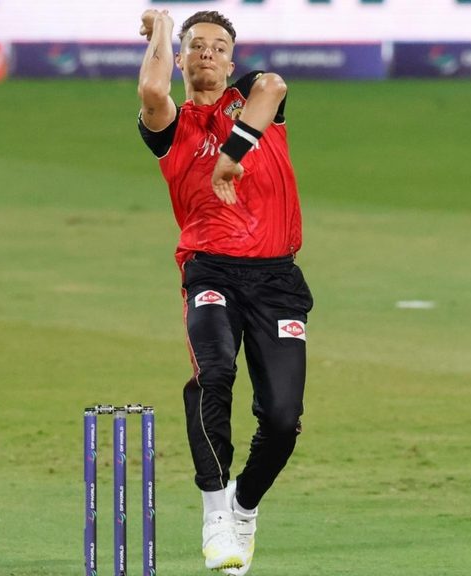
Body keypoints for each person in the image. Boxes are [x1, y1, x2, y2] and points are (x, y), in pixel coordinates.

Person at [137, 9, 314, 575]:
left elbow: (274, 85)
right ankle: (215, 510)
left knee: (282, 419)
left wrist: (230, 158)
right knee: (213, 373)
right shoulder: (172, 126)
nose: (207, 53)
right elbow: (151, 90)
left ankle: (243, 505)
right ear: (182, 58)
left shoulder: (253, 99)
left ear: (231, 62)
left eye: (218, 46)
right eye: (196, 46)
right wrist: (161, 27)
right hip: (210, 270)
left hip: (277, 279)